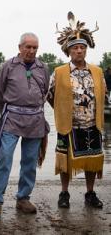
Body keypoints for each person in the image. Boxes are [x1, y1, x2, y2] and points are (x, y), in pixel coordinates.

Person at [0, 33, 50, 219]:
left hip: (35, 121)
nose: (31, 51)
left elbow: (45, 91)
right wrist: (6, 113)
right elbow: (0, 92)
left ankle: (23, 198)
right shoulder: (8, 66)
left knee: (30, 161)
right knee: (4, 159)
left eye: (35, 47)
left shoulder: (43, 68)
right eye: (28, 47)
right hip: (12, 118)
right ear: (20, 47)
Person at [47, 11, 105, 209]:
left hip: (92, 123)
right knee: (64, 161)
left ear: (86, 50)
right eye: (75, 48)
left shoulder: (97, 72)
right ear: (69, 51)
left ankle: (90, 193)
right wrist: (63, 111)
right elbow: (50, 95)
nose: (79, 51)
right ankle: (64, 193)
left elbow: (103, 94)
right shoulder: (59, 72)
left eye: (82, 47)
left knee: (93, 160)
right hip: (68, 124)